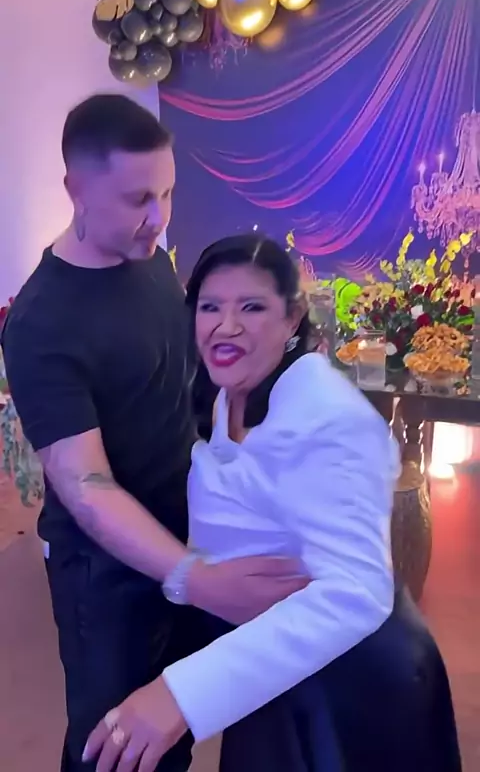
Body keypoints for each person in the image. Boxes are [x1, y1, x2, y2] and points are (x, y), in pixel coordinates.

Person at [1, 100, 308, 772]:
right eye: (139, 198)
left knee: (173, 732)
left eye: (167, 192)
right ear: (77, 190)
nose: (159, 216)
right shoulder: (42, 321)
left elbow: (180, 386)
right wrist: (196, 579)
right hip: (106, 576)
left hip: (185, 531)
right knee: (114, 750)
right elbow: (87, 486)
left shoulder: (150, 260)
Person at [85, 234, 462, 772]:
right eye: (210, 307)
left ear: (292, 318)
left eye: (252, 307)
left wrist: (182, 693)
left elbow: (356, 593)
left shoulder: (329, 419)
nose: (226, 325)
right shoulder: (228, 394)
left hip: (351, 683)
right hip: (278, 668)